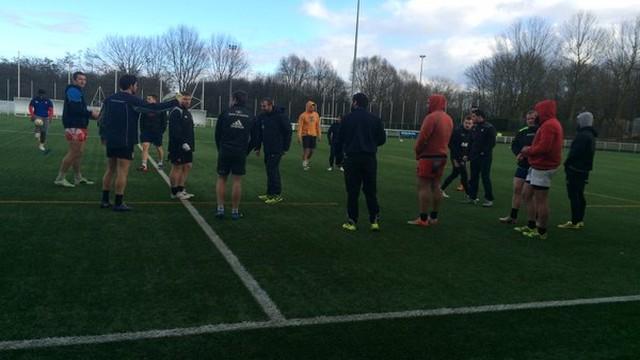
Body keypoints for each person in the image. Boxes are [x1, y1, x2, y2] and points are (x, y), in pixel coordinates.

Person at [99, 75, 179, 211]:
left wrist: (103, 135)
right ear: (131, 86)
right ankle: (118, 203)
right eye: (136, 85)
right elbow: (154, 108)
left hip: (111, 140)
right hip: (125, 140)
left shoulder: (109, 99)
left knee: (110, 170)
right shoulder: (132, 100)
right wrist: (174, 102)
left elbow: (101, 119)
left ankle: (105, 200)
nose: (136, 87)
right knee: (122, 172)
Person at [517, 99, 564, 239]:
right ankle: (531, 224)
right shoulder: (547, 124)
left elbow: (544, 148)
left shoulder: (550, 125)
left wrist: (527, 150)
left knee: (541, 199)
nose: (536, 115)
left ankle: (541, 230)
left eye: (537, 112)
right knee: (526, 194)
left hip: (544, 166)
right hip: (537, 165)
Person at [339, 93, 386, 232]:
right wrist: (371, 143)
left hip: (352, 158)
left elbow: (340, 138)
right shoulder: (375, 119)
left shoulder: (347, 118)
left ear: (355, 102)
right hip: (369, 158)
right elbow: (382, 139)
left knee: (353, 191)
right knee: (370, 190)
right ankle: (374, 220)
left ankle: (352, 221)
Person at [408, 94, 454, 227]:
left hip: (428, 156)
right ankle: (434, 217)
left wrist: (417, 151)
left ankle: (423, 219)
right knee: (436, 185)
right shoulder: (448, 119)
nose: (428, 104)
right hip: (442, 156)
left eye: (429, 102)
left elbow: (422, 138)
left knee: (423, 186)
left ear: (435, 102)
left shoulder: (431, 117)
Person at [215, 91, 258, 220]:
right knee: (237, 181)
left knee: (222, 178)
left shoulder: (225, 113)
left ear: (234, 99)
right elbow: (255, 138)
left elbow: (217, 134)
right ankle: (234, 211)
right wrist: (246, 150)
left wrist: (220, 148)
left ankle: (220, 209)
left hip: (225, 150)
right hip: (240, 151)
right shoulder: (251, 115)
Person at [54, 72, 99, 188]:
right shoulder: (73, 90)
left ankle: (78, 177)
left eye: (84, 79)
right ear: (74, 80)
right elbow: (75, 109)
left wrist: (91, 115)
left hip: (79, 125)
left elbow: (79, 110)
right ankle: (60, 178)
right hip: (74, 126)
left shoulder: (77, 91)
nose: (83, 81)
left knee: (78, 153)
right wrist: (91, 113)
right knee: (74, 152)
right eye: (80, 79)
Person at [558, 111, 597, 229]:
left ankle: (575, 221)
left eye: (579, 121)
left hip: (576, 169)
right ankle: (579, 220)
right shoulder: (590, 135)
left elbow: (575, 153)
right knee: (579, 194)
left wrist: (567, 164)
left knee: (574, 195)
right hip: (584, 170)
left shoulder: (582, 135)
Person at [499, 110, 538, 224]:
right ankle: (513, 217)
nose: (530, 120)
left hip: (535, 166)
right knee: (517, 189)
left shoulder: (540, 131)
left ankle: (534, 220)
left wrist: (529, 152)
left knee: (530, 194)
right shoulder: (522, 131)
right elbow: (514, 145)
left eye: (532, 118)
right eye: (528, 119)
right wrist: (518, 154)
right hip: (522, 165)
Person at [254, 98, 292, 204]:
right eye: (261, 106)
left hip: (277, 148)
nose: (262, 108)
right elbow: (259, 133)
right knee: (269, 170)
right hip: (267, 148)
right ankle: (269, 193)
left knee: (273, 170)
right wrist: (258, 147)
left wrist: (285, 148)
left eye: (264, 106)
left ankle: (277, 195)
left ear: (271, 105)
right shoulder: (262, 117)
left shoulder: (280, 116)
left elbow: (288, 132)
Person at [466, 109, 497, 207]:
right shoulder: (474, 128)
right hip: (474, 157)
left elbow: (492, 143)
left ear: (480, 116)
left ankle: (489, 199)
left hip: (485, 158)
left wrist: (483, 152)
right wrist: (468, 154)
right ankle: (472, 197)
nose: (472, 118)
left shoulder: (489, 127)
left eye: (474, 116)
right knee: (473, 177)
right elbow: (470, 142)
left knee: (485, 177)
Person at [168, 93, 195, 201]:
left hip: (188, 146)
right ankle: (174, 192)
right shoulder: (176, 111)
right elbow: (175, 130)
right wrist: (183, 143)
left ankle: (181, 189)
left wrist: (190, 144)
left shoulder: (187, 112)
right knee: (177, 167)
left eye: (189, 99)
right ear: (179, 99)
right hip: (178, 146)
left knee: (188, 165)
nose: (187, 101)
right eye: (185, 99)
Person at [440, 115, 473, 198]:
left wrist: (468, 156)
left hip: (463, 158)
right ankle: (469, 194)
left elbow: (470, 147)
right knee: (464, 175)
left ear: (472, 124)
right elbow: (451, 145)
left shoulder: (471, 133)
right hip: (456, 157)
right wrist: (455, 159)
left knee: (455, 174)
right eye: (466, 123)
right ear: (463, 122)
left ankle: (441, 189)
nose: (467, 125)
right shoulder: (457, 131)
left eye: (469, 123)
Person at [138, 95, 168, 172]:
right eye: (147, 98)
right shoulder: (145, 108)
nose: (147, 100)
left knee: (159, 148)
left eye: (149, 99)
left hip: (157, 132)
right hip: (146, 131)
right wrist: (142, 131)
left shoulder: (161, 109)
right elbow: (141, 120)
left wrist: (161, 131)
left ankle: (160, 162)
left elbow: (164, 122)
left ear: (154, 100)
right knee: (145, 146)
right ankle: (144, 165)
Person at [297, 101, 321, 171]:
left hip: (314, 135)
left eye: (313, 106)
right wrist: (299, 136)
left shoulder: (316, 115)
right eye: (311, 106)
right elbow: (300, 127)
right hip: (306, 135)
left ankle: (306, 159)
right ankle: (304, 164)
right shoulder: (302, 115)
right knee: (307, 150)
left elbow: (318, 126)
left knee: (312, 151)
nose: (312, 107)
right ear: (307, 107)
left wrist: (319, 135)